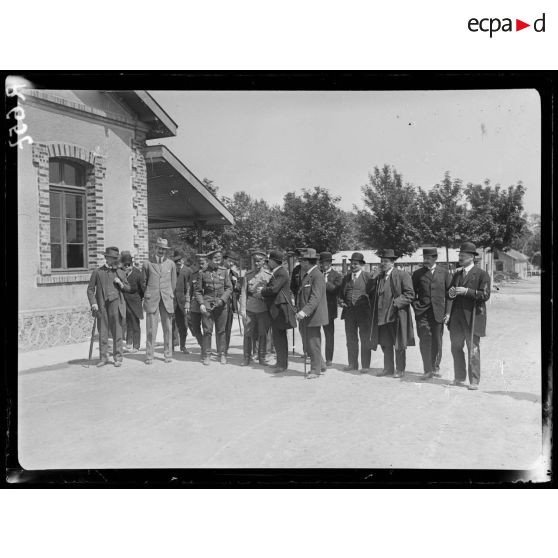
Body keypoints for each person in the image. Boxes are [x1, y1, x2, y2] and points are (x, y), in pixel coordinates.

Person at [447, 242, 491, 390]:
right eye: (459, 255)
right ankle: (459, 377)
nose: (460, 258)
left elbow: (485, 295)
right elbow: (450, 292)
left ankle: (474, 380)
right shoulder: (457, 274)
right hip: (456, 318)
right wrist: (451, 292)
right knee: (455, 347)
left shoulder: (482, 274)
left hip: (472, 317)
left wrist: (467, 291)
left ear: (472, 257)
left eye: (463, 256)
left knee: (473, 348)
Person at [370, 249, 415, 378]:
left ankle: (400, 369)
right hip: (381, 316)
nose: (382, 264)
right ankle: (388, 369)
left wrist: (396, 303)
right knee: (385, 343)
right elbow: (370, 292)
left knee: (399, 343)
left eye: (385, 261)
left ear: (392, 263)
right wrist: (373, 278)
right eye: (381, 261)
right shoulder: (379, 277)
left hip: (396, 315)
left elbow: (410, 294)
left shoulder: (402, 275)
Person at [411, 247, 453, 380]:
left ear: (435, 258)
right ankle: (427, 369)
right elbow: (411, 293)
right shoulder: (417, 274)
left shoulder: (444, 273)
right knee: (424, 340)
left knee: (437, 341)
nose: (426, 260)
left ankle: (435, 367)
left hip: (438, 313)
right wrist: (416, 306)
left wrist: (447, 312)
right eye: (424, 258)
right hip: (422, 313)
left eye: (429, 258)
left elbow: (450, 294)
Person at [86, 246, 131, 367]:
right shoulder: (97, 272)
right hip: (101, 307)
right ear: (106, 258)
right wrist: (93, 303)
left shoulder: (120, 272)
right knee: (103, 333)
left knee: (117, 333)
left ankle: (118, 358)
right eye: (113, 258)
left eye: (116, 258)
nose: (115, 260)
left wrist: (120, 283)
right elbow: (90, 290)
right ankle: (103, 358)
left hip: (116, 306)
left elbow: (128, 288)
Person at [194, 248, 232, 365]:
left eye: (219, 259)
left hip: (221, 305)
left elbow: (229, 288)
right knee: (207, 331)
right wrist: (201, 303)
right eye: (215, 259)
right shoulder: (202, 272)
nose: (217, 261)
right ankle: (207, 355)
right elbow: (198, 291)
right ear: (209, 260)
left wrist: (223, 299)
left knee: (221, 331)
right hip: (208, 305)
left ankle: (222, 354)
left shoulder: (224, 271)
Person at [260, 250, 296, 372]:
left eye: (268, 261)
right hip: (277, 309)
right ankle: (280, 362)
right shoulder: (278, 272)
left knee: (280, 337)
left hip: (280, 309)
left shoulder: (281, 272)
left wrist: (262, 290)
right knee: (278, 337)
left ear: (274, 262)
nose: (267, 263)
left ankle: (282, 365)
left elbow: (274, 289)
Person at [142, 237, 177, 365]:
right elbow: (143, 282)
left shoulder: (171, 264)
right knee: (151, 329)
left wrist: (168, 294)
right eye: (159, 248)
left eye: (164, 249)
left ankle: (168, 354)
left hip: (166, 300)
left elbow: (173, 283)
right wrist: (149, 293)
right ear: (155, 248)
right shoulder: (147, 263)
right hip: (152, 300)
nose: (161, 251)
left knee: (168, 328)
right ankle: (149, 355)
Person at [296, 249, 329, 379]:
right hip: (309, 315)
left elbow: (315, 297)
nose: (300, 263)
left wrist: (304, 312)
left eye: (301, 261)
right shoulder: (309, 274)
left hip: (313, 316)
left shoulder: (317, 275)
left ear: (307, 262)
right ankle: (320, 364)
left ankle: (315, 371)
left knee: (313, 343)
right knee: (311, 342)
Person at [338, 252, 374, 372]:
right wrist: (341, 301)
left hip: (364, 314)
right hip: (349, 314)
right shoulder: (346, 278)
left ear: (361, 265)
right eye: (351, 264)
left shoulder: (368, 277)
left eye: (356, 264)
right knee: (351, 339)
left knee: (365, 339)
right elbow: (341, 294)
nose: (353, 266)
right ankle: (352, 364)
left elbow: (373, 294)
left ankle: (365, 366)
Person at [239, 249, 272, 366]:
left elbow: (271, 293)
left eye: (259, 261)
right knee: (247, 333)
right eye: (255, 261)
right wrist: (242, 309)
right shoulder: (248, 275)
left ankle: (262, 357)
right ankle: (246, 357)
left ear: (264, 261)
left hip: (263, 308)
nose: (257, 263)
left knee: (263, 333)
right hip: (250, 308)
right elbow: (243, 292)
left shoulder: (268, 276)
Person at [320, 251, 342, 366]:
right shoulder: (317, 273)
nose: (324, 264)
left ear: (330, 263)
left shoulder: (336, 276)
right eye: (322, 262)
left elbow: (335, 290)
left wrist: (325, 282)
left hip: (329, 310)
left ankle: (329, 359)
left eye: (327, 262)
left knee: (329, 335)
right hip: (318, 310)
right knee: (315, 334)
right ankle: (316, 357)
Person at [120, 251, 145, 353]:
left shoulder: (137, 274)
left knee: (135, 324)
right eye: (124, 265)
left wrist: (140, 299)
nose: (126, 267)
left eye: (129, 265)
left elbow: (142, 289)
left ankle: (136, 346)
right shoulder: (120, 273)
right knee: (127, 324)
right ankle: (129, 343)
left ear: (132, 264)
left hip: (135, 302)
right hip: (124, 302)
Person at [223, 250, 242, 357]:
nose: (231, 264)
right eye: (229, 261)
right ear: (224, 259)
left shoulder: (234, 274)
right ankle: (220, 348)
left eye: (232, 262)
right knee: (220, 328)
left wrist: (236, 284)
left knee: (228, 328)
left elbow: (238, 290)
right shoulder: (219, 271)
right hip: (220, 303)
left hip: (230, 304)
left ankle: (225, 349)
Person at [188, 253, 207, 358]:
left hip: (206, 305)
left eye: (203, 263)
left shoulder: (209, 274)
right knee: (195, 328)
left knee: (206, 328)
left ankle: (205, 350)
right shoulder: (193, 274)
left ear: (206, 263)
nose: (200, 265)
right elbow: (189, 290)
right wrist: (187, 303)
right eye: (199, 263)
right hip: (195, 305)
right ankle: (203, 346)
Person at [171, 250, 191, 354]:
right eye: (176, 261)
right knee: (171, 325)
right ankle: (171, 347)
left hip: (183, 303)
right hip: (171, 302)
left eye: (180, 260)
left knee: (183, 325)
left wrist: (187, 302)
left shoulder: (187, 271)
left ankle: (183, 346)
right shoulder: (171, 271)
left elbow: (189, 288)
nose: (178, 263)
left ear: (183, 260)